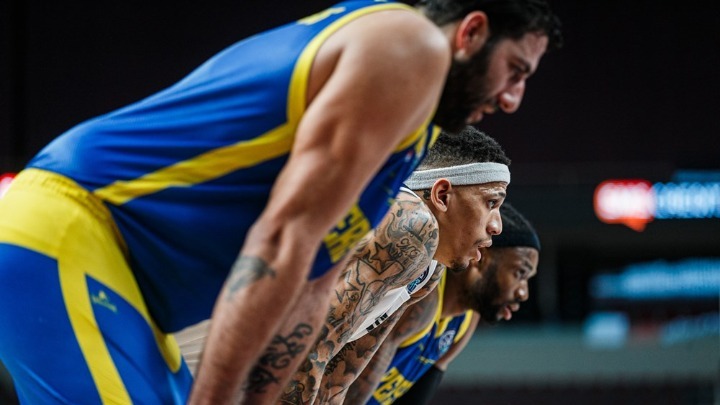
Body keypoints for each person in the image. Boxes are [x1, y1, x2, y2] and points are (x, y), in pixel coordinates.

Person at [0, 1, 561, 404]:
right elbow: (283, 240)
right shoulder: (409, 46)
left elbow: (313, 288)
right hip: (76, 226)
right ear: (471, 33)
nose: (513, 99)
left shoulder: (407, 139)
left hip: (128, 274)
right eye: (515, 71)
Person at [176, 126, 511, 403]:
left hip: (230, 372)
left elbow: (338, 376)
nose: (497, 225)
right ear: (442, 195)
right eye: (491, 202)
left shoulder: (428, 268)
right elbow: (305, 351)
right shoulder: (411, 221)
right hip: (190, 348)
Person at [347, 203, 541, 404]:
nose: (523, 293)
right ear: (482, 258)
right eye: (520, 273)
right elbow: (348, 390)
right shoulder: (421, 299)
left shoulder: (465, 320)